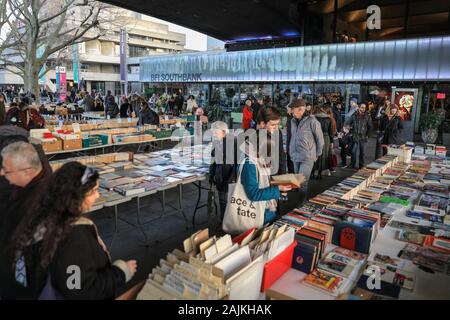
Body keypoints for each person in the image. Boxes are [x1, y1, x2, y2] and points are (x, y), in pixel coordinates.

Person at [10, 162, 137, 299]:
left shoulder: (46, 217)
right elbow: (77, 289)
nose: (97, 196)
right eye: (93, 191)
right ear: (76, 197)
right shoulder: (73, 238)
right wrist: (121, 272)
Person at [0, 141, 52, 299]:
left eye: (7, 170)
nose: (2, 173)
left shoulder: (40, 203)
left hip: (24, 283)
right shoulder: (22, 187)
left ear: (28, 171)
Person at [239, 138, 291, 224]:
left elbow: (263, 182)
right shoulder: (249, 165)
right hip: (257, 213)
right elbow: (253, 194)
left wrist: (279, 188)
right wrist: (278, 189)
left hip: (265, 210)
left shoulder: (259, 160)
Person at [288, 99, 324, 203]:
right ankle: (299, 199)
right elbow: (293, 137)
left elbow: (320, 140)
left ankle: (301, 203)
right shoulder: (292, 121)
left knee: (302, 181)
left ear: (300, 109)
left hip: (307, 157)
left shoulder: (313, 121)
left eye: (292, 110)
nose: (291, 112)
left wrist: (316, 155)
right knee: (297, 180)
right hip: (295, 155)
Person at [209, 121, 236, 220]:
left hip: (227, 180)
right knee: (223, 202)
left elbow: (234, 166)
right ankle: (224, 223)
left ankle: (226, 225)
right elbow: (213, 160)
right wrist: (212, 176)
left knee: (226, 203)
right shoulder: (219, 142)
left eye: (216, 133)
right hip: (222, 179)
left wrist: (229, 181)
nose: (214, 135)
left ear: (224, 132)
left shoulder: (231, 143)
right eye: (213, 133)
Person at [255, 106, 286, 175]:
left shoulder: (277, 132)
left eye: (278, 124)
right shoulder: (251, 136)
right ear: (262, 123)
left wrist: (283, 176)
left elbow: (281, 155)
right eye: (273, 125)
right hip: (257, 176)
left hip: (274, 173)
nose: (276, 128)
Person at [346, 103, 373, 169]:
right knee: (353, 152)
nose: (363, 109)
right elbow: (348, 123)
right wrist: (348, 128)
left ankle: (361, 165)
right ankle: (353, 164)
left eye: (364, 107)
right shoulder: (354, 115)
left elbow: (370, 126)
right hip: (355, 136)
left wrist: (368, 135)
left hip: (363, 137)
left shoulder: (367, 116)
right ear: (358, 107)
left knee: (362, 152)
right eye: (362, 107)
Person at [312, 105, 333, 179]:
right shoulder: (329, 119)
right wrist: (332, 142)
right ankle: (320, 173)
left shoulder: (314, 118)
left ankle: (312, 172)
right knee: (323, 155)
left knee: (314, 154)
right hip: (325, 137)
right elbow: (331, 132)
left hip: (315, 137)